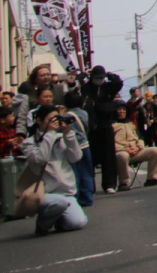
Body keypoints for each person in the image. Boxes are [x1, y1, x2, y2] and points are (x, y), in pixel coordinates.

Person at [20, 105, 87, 235]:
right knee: (58, 202)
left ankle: (59, 220)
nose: (55, 123)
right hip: (42, 194)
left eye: (57, 119)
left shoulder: (61, 138)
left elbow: (75, 158)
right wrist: (50, 134)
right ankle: (42, 225)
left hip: (66, 192)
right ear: (39, 121)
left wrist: (68, 134)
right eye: (51, 119)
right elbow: (41, 158)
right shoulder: (28, 143)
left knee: (78, 222)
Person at [82, 65, 123, 193]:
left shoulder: (108, 87)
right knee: (91, 158)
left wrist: (109, 74)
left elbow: (118, 82)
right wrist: (84, 75)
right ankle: (90, 186)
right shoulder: (87, 88)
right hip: (92, 126)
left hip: (106, 124)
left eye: (101, 77)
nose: (99, 80)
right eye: (96, 77)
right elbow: (78, 86)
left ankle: (109, 184)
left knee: (109, 156)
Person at [112, 101, 157, 189]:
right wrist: (124, 149)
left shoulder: (131, 124)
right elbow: (110, 143)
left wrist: (138, 147)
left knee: (155, 150)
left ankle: (152, 178)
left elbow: (140, 138)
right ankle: (123, 182)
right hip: (121, 152)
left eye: (123, 109)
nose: (121, 111)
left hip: (135, 150)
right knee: (123, 156)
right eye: (119, 109)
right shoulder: (112, 125)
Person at [63, 90, 94, 206]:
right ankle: (88, 196)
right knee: (87, 172)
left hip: (74, 146)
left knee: (74, 172)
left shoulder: (66, 116)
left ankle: (76, 197)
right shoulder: (84, 113)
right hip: (85, 145)